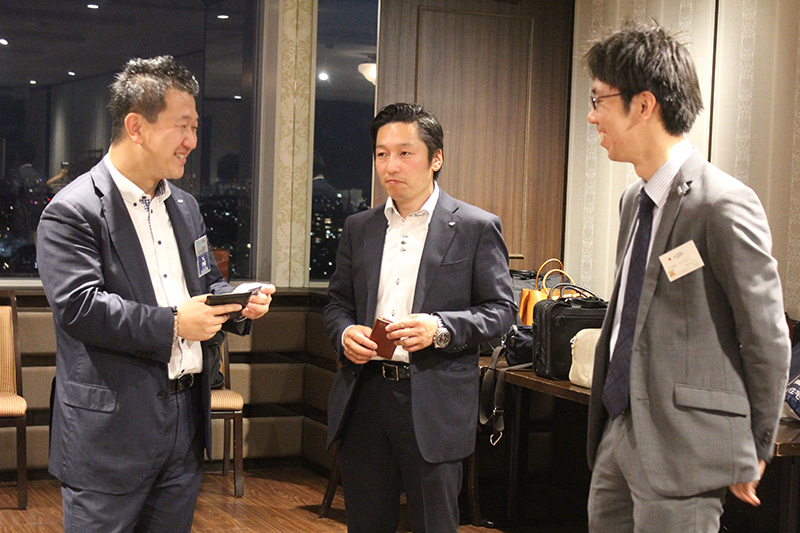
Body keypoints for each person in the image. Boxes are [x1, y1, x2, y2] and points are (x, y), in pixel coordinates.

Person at [36, 55, 276, 533]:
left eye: (195, 127)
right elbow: (79, 307)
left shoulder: (184, 206)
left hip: (184, 420)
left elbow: (203, 285)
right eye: (181, 126)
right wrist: (174, 323)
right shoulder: (74, 210)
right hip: (109, 431)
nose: (192, 141)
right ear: (136, 127)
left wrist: (236, 303)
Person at [583, 23, 791, 532]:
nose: (591, 116)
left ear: (644, 105)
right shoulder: (633, 200)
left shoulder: (722, 204)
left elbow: (765, 335)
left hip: (685, 449)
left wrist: (757, 444)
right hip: (618, 429)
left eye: (598, 100)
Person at [323, 103, 516, 532]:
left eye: (405, 153)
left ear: (436, 158)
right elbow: (337, 303)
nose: (390, 165)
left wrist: (441, 328)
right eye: (381, 153)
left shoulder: (475, 226)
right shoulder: (359, 227)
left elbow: (502, 311)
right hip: (365, 396)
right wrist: (345, 333)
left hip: (433, 401)